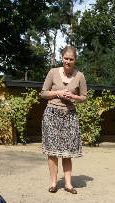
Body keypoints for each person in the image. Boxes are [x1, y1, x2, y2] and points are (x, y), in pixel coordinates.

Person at [40, 45, 88, 194]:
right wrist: (58, 93)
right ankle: (54, 183)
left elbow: (85, 98)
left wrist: (73, 97)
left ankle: (68, 184)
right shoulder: (53, 72)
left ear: (75, 60)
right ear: (62, 58)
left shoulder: (80, 76)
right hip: (51, 114)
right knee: (52, 152)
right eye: (66, 58)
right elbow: (43, 93)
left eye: (71, 59)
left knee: (67, 152)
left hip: (70, 116)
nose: (68, 61)